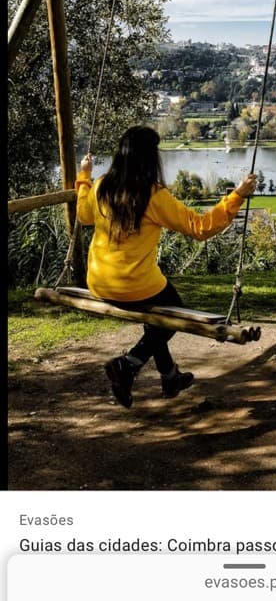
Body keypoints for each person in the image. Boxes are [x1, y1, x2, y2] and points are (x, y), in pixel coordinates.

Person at [75, 125, 256, 408]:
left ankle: (170, 376)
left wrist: (84, 175)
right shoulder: (153, 195)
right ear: (150, 158)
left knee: (157, 316)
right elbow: (200, 227)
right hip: (134, 285)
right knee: (170, 314)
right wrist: (237, 196)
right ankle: (129, 363)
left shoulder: (101, 185)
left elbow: (84, 215)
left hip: (97, 280)